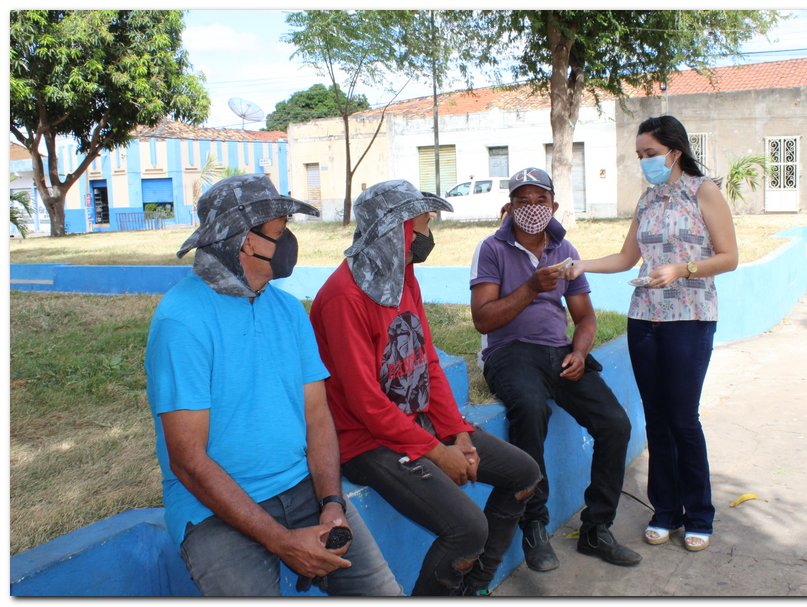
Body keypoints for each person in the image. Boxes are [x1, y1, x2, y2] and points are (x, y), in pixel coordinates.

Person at [144, 174, 402, 597]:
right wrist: (281, 542)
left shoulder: (287, 310)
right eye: (281, 232)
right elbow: (188, 461)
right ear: (246, 241)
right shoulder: (182, 321)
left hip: (301, 489)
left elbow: (318, 418)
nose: (290, 242)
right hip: (212, 510)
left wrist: (332, 503)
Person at [309, 180, 541, 596]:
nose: (426, 236)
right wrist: (437, 452)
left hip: (417, 423)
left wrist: (458, 433)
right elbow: (365, 403)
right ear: (391, 232)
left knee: (524, 474)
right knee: (468, 529)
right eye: (420, 226)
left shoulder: (404, 277)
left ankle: (473, 589)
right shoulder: (343, 297)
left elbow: (426, 361)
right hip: (368, 442)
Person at [566, 115, 739, 552]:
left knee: (683, 419)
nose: (644, 162)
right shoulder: (648, 200)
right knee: (656, 419)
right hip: (644, 319)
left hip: (690, 318)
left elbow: (730, 257)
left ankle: (699, 514)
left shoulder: (705, 192)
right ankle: (665, 510)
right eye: (640, 156)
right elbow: (628, 257)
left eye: (651, 154)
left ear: (675, 152)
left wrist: (683, 269)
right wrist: (583, 264)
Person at [470, 167, 642, 573]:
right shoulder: (491, 248)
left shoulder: (566, 251)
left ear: (554, 205)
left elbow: (584, 318)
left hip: (558, 351)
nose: (531, 208)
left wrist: (580, 353)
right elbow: (483, 319)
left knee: (615, 423)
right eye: (522, 201)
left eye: (539, 200)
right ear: (509, 206)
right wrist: (530, 287)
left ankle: (596, 527)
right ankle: (534, 524)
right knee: (531, 409)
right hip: (509, 352)